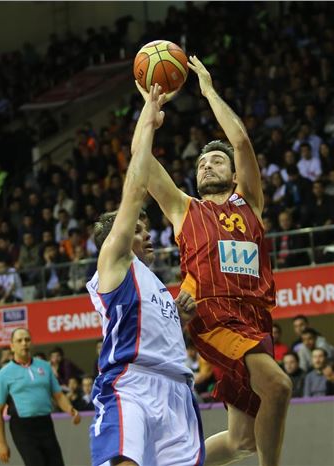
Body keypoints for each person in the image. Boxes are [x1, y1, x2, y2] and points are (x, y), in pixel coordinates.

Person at [134, 56, 292, 466]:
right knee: (278, 386)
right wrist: (149, 115)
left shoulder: (250, 204)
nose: (207, 166)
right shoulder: (185, 209)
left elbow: (240, 142)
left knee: (244, 440)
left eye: (216, 161)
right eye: (202, 164)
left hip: (256, 319)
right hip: (214, 316)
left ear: (233, 174)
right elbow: (142, 162)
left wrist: (207, 90)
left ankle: (165, 463)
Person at [86, 84, 204, 466]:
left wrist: (179, 319)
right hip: (131, 382)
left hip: (178, 389)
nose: (147, 233)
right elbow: (135, 189)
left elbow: (153, 330)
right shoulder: (115, 260)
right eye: (137, 229)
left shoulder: (152, 281)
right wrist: (148, 120)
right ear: (115, 238)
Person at [0, 328, 80, 466]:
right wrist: (2, 443)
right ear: (12, 346)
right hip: (22, 427)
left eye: (27, 340)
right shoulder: (4, 374)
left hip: (45, 423)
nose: (24, 343)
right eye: (19, 340)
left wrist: (71, 409)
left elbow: (58, 395)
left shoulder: (44, 366)